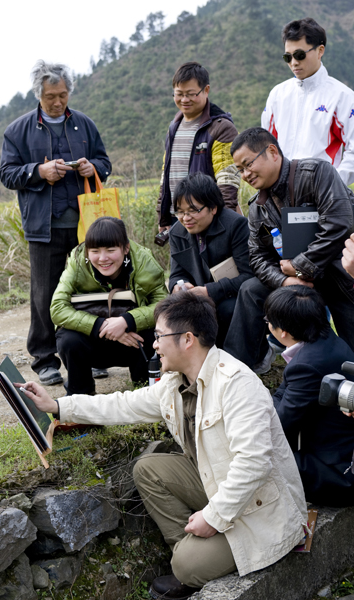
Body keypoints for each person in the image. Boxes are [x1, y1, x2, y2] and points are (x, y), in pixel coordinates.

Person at [20, 293, 308, 599]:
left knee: (185, 566)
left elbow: (254, 464)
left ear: (187, 340)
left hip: (260, 509)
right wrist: (58, 405)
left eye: (159, 336)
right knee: (149, 468)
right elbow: (123, 405)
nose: (154, 344)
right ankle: (188, 550)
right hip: (217, 483)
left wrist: (214, 517)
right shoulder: (176, 381)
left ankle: (188, 562)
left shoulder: (237, 385)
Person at [0, 60, 111, 386]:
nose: (58, 102)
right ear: (39, 95)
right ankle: (45, 361)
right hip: (43, 226)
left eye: (63, 95)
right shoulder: (18, 130)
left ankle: (90, 355)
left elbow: (104, 160)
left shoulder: (84, 125)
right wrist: (38, 172)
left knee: (88, 290)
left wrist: (95, 168)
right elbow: (8, 173)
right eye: (51, 96)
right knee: (44, 294)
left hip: (85, 225)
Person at [223, 127, 354, 373]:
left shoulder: (317, 173)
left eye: (248, 164)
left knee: (351, 350)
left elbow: (339, 224)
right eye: (239, 170)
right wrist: (285, 281)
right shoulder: (257, 208)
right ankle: (237, 371)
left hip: (339, 273)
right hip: (293, 281)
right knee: (251, 290)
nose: (245, 175)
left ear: (272, 151)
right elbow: (258, 258)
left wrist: (300, 266)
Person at [50, 216, 168, 395]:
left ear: (126, 248)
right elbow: (58, 308)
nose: (102, 258)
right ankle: (80, 395)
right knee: (68, 339)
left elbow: (164, 305)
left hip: (133, 339)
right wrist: (102, 325)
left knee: (154, 333)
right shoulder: (78, 260)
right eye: (95, 251)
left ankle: (145, 389)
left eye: (111, 250)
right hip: (92, 340)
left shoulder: (143, 260)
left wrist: (127, 321)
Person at [264, 286, 354, 506]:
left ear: (282, 332)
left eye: (268, 320)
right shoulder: (328, 339)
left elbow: (280, 427)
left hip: (338, 473)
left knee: (257, 459)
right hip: (341, 451)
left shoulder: (307, 365)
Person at [262, 17, 354, 186]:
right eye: (287, 57)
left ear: (320, 51)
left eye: (300, 55)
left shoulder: (343, 97)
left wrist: (333, 184)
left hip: (323, 196)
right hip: (280, 193)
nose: (294, 63)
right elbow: (266, 145)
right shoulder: (277, 94)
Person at [169, 173, 252, 346]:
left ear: (213, 207)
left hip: (231, 294)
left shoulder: (236, 225)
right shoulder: (177, 232)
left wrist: (208, 291)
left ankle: (252, 353)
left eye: (193, 210)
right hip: (196, 297)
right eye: (180, 211)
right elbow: (176, 273)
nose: (185, 218)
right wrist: (178, 286)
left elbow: (249, 275)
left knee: (226, 309)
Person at [157, 61, 241, 232]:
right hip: (178, 219)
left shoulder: (220, 127)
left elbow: (228, 181)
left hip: (207, 219)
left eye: (191, 94)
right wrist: (163, 216)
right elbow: (165, 177)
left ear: (206, 90)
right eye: (179, 94)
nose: (184, 100)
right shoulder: (174, 127)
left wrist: (223, 224)